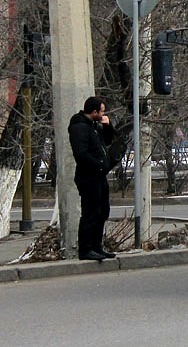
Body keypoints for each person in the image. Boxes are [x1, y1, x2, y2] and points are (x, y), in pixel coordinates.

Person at [69, 96, 116, 261]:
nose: (103, 114)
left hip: (99, 176)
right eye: (102, 111)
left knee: (102, 211)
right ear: (94, 111)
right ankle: (86, 249)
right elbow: (81, 154)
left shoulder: (94, 127)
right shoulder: (79, 128)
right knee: (91, 213)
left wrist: (108, 126)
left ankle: (97, 247)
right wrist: (99, 165)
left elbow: (109, 140)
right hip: (88, 177)